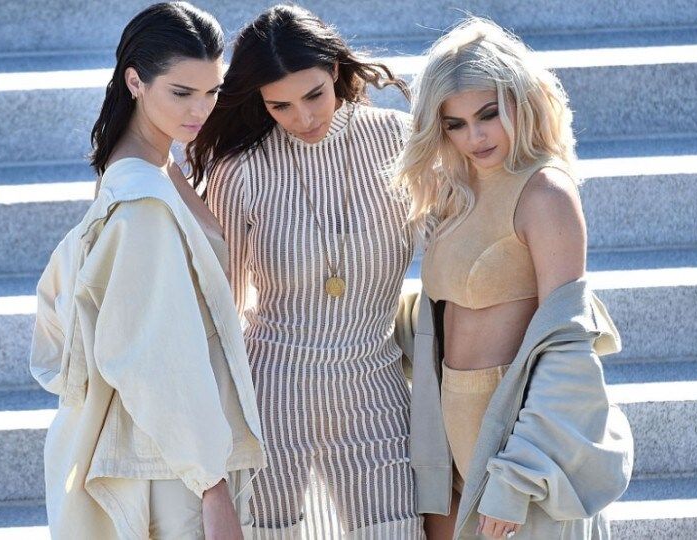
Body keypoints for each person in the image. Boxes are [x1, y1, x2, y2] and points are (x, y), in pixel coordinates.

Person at [29, 3, 265, 538]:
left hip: (170, 450)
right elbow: (157, 357)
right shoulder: (143, 203)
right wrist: (213, 486)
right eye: (181, 93)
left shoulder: (150, 164)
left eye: (211, 91)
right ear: (135, 80)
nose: (200, 110)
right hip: (171, 469)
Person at [392, 17, 633, 539]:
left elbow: (567, 343)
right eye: (454, 124)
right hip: (448, 439)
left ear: (520, 102)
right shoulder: (456, 192)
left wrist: (520, 475)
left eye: (487, 114)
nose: (473, 136)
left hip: (516, 445)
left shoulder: (545, 193)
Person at [186, 4, 422, 538]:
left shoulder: (401, 141)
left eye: (314, 94)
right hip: (271, 391)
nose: (304, 117)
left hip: (376, 383)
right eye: (280, 106)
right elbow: (223, 308)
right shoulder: (240, 170)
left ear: (335, 70)